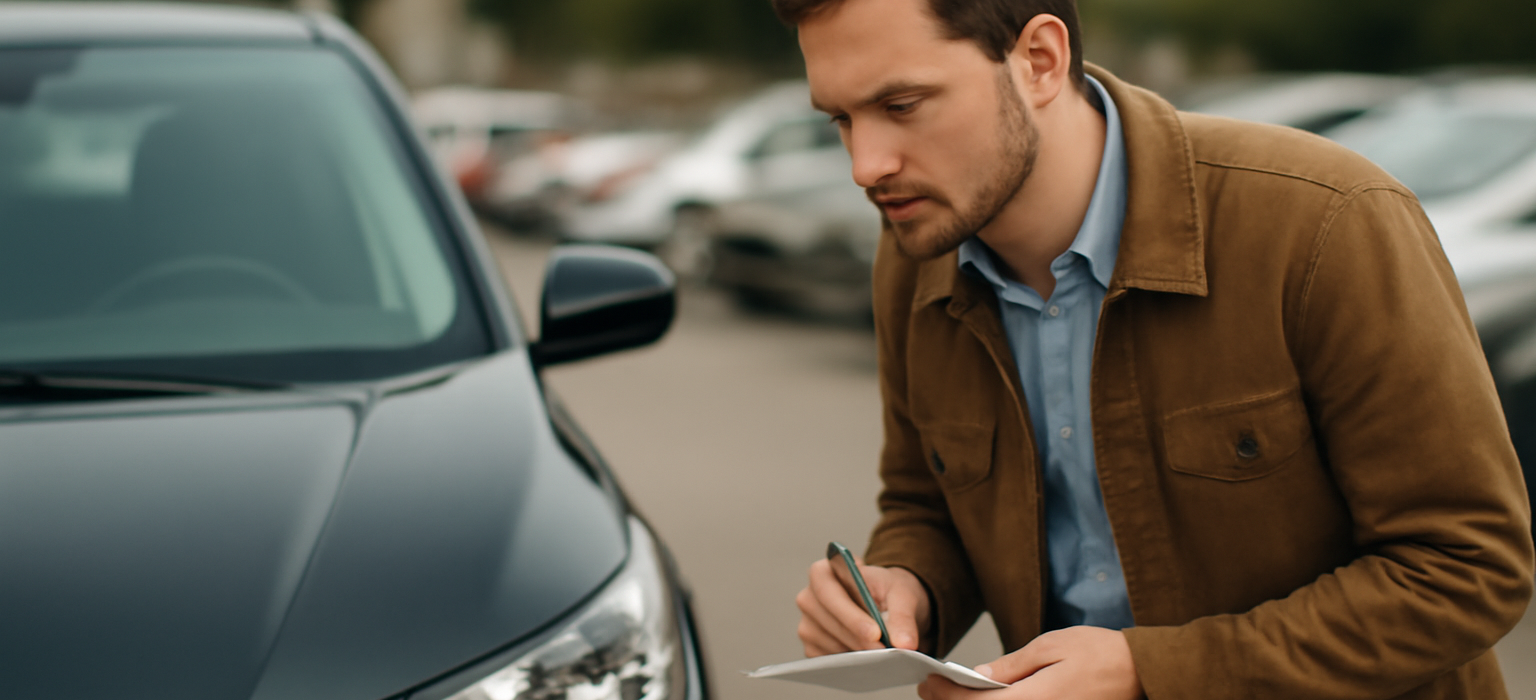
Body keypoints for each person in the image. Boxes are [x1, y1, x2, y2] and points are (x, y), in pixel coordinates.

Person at [778, 0, 1536, 697]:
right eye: (841, 120)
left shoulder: (1324, 222)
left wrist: (1150, 671)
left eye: (901, 105)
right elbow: (924, 500)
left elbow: (1468, 569)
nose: (865, 165)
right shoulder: (914, 251)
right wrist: (907, 588)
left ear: (1039, 60)